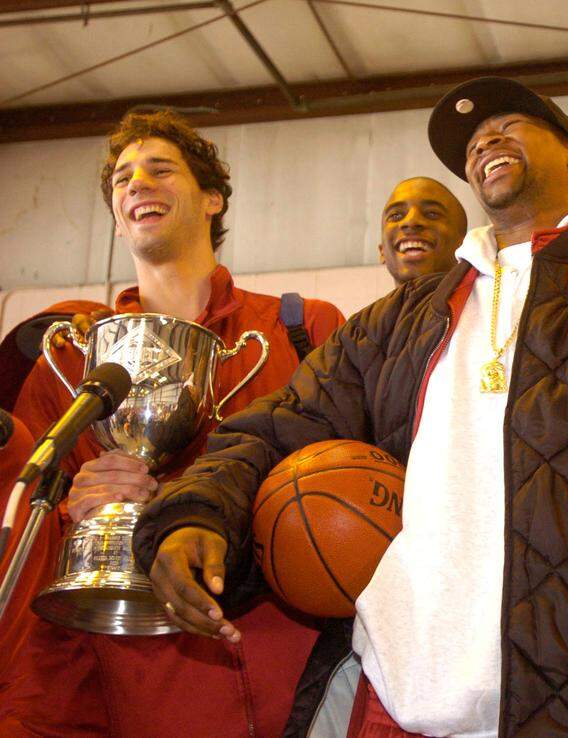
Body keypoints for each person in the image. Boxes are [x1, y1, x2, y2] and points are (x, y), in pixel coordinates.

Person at [135, 76, 568, 738]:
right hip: (393, 710)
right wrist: (199, 513)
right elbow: (278, 429)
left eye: (510, 125)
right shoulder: (398, 321)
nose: (486, 141)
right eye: (475, 143)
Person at [0, 110, 345, 737]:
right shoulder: (69, 359)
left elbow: (348, 475)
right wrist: (75, 507)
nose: (137, 184)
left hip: (295, 665)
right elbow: (22, 533)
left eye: (161, 170)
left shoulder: (300, 329)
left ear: (212, 198)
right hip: (146, 683)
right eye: (122, 180)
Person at [379, 176, 466, 284]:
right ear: (382, 251)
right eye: (396, 215)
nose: (410, 222)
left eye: (432, 213)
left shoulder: (487, 300)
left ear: (464, 247)